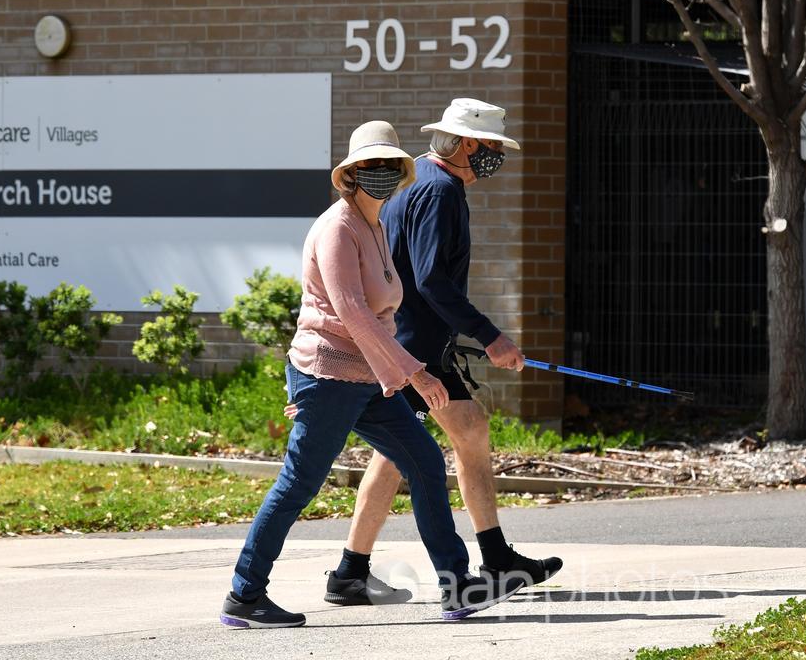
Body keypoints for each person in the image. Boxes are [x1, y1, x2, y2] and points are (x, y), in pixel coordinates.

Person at [221, 120, 522, 629]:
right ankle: (245, 595)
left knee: (426, 462)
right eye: (369, 166)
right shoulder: (337, 228)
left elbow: (382, 313)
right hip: (328, 377)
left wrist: (398, 373)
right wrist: (415, 375)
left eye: (388, 166)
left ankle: (457, 585)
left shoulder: (376, 225)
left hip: (366, 379)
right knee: (298, 485)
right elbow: (354, 314)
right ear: (349, 175)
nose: (380, 173)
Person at [318, 99, 564, 607]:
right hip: (414, 349)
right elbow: (430, 279)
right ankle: (353, 572)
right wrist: (490, 335)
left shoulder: (421, 185)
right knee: (398, 454)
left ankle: (494, 557)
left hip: (419, 343)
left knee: (467, 430)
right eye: (494, 147)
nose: (497, 156)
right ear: (470, 144)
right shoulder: (441, 191)